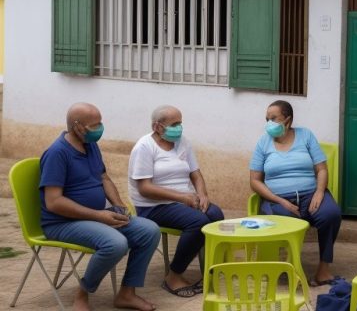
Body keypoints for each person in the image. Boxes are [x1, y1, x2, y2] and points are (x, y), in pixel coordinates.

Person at [39, 103, 160, 311]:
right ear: (77, 126)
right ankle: (81, 295)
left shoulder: (90, 145)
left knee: (149, 230)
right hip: (62, 223)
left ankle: (127, 294)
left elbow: (103, 177)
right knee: (115, 243)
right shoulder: (57, 153)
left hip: (96, 217)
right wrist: (98, 215)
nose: (100, 129)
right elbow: (54, 202)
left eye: (100, 123)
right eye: (95, 125)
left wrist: (118, 204)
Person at [128, 105, 225, 297]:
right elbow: (145, 188)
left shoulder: (183, 142)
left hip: (184, 201)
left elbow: (195, 173)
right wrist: (182, 197)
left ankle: (210, 269)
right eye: (174, 124)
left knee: (216, 215)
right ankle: (173, 276)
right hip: (153, 206)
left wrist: (202, 194)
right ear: (157, 126)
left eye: (180, 123)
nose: (179, 128)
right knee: (198, 222)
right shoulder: (144, 147)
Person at [249, 100, 342, 287]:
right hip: (277, 200)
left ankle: (323, 270)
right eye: (267, 119)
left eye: (273, 118)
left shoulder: (305, 135)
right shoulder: (263, 143)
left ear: (288, 120)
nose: (269, 123)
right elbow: (254, 181)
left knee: (331, 214)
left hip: (310, 195)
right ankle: (293, 268)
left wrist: (319, 192)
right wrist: (279, 200)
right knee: (286, 222)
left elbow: (322, 169)